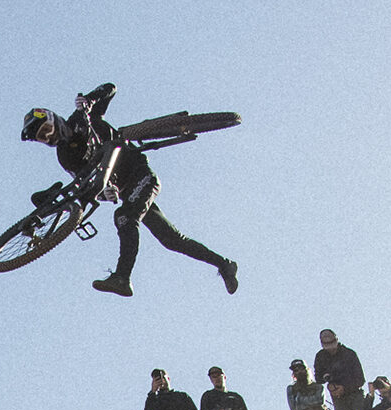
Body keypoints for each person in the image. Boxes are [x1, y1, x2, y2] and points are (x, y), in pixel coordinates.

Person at [21, 83, 238, 298]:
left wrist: (89, 99)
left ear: (53, 120)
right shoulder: (65, 156)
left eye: (46, 131)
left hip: (141, 175)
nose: (48, 138)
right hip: (126, 190)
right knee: (171, 239)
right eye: (42, 138)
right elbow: (87, 184)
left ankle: (122, 278)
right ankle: (224, 265)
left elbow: (110, 88)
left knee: (125, 217)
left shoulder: (82, 118)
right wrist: (103, 194)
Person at [312, 329, 368, 410]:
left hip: (355, 393)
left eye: (332, 343)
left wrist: (345, 388)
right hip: (338, 397)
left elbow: (360, 379)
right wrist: (328, 382)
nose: (330, 348)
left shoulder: (349, 354)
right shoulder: (320, 357)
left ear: (336, 340)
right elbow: (318, 378)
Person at [199, 366, 268, 410]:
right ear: (211, 380)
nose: (217, 378)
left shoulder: (236, 396)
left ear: (224, 377)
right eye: (214, 377)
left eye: (219, 375)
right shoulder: (208, 395)